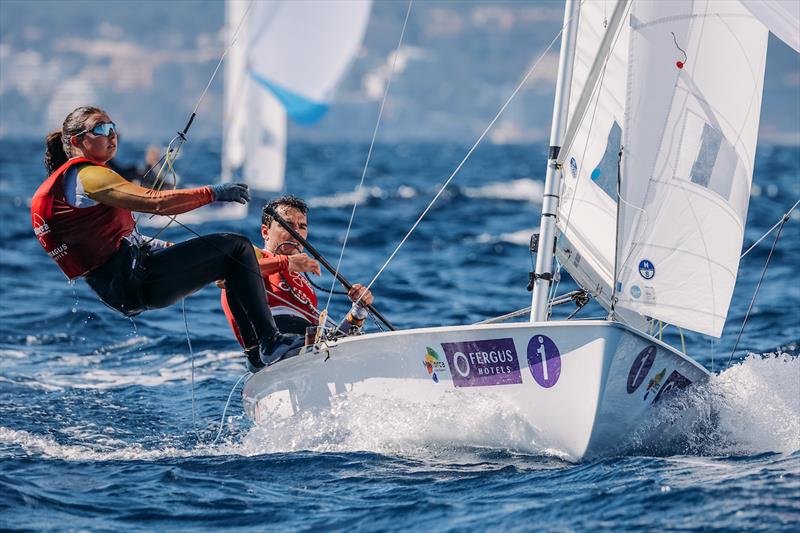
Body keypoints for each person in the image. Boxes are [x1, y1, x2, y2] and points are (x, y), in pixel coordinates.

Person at [32, 105, 303, 368]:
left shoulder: (77, 178)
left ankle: (259, 353)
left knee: (232, 257)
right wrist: (214, 193)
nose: (112, 134)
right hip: (133, 280)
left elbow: (129, 241)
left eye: (113, 126)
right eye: (101, 128)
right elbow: (155, 202)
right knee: (237, 248)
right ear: (78, 140)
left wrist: (195, 254)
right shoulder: (87, 175)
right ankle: (270, 342)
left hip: (125, 281)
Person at [220, 195, 373, 372]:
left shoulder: (305, 286)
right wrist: (287, 262)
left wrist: (359, 310)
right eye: (287, 225)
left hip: (306, 354)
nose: (296, 233)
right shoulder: (253, 255)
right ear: (265, 232)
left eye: (302, 226)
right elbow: (226, 276)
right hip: (268, 355)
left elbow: (339, 337)